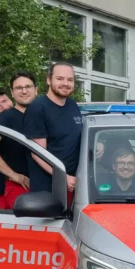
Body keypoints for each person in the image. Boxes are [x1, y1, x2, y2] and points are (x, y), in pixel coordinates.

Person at [23, 62, 82, 201]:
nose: (65, 83)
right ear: (49, 80)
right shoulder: (38, 108)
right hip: (49, 190)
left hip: (72, 184)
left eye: (70, 80)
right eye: (60, 78)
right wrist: (63, 177)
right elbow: (38, 154)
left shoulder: (72, 105)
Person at [0, 74, 37, 210]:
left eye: (4, 101)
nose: (4, 107)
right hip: (16, 189)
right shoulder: (5, 119)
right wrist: (13, 175)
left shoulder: (37, 114)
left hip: (40, 186)